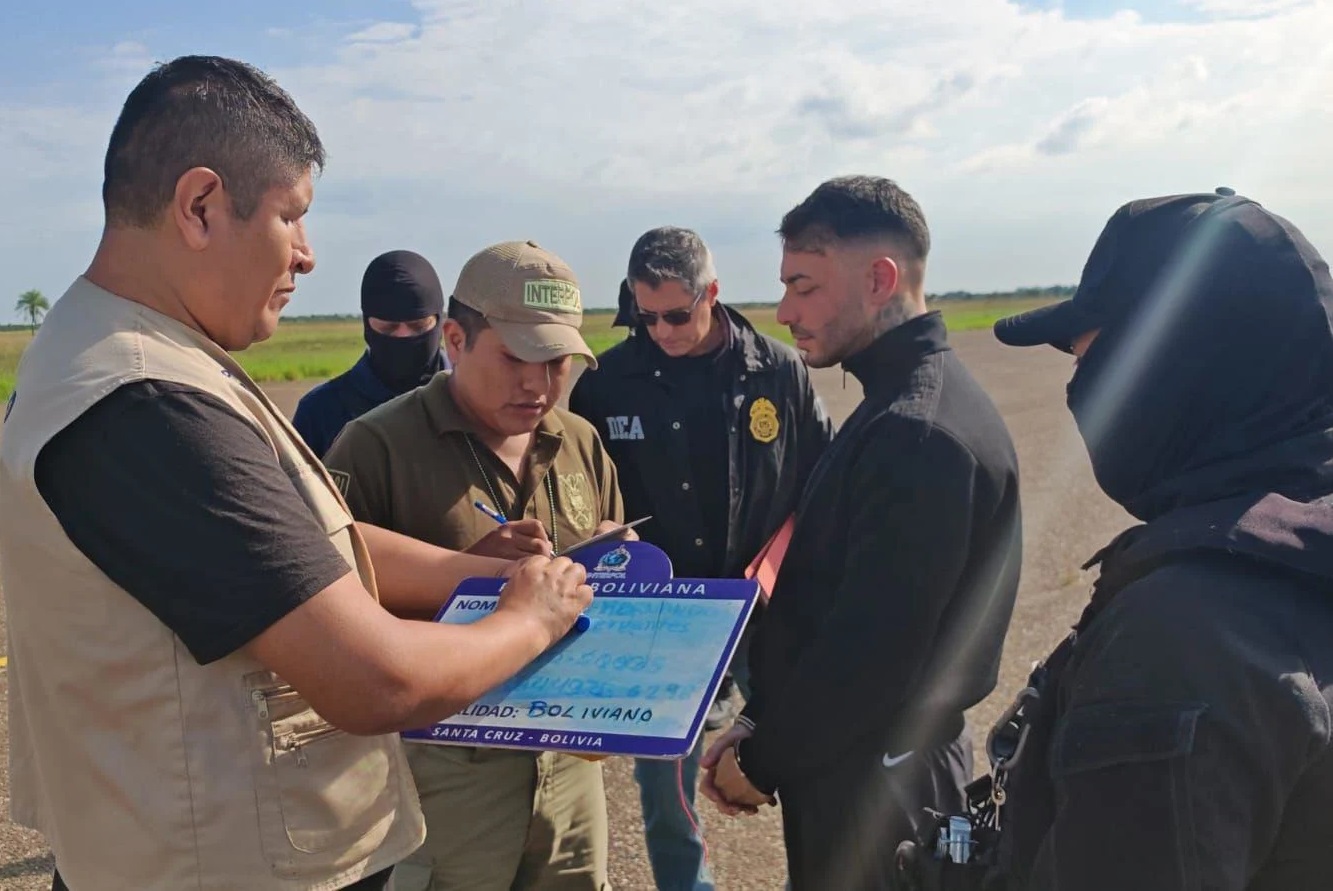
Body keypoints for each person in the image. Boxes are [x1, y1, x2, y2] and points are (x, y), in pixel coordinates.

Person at [0, 55, 592, 891]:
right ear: (200, 206)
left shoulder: (119, 356)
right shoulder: (144, 401)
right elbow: (375, 679)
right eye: (292, 215)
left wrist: (474, 574)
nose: (307, 256)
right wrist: (529, 619)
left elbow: (293, 549)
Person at [952, 188, 1333, 890]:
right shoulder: (1303, 546)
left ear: (1171, 368)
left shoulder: (1184, 637)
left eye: (1089, 359)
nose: (1077, 388)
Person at [701, 175, 1023, 890]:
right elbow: (831, 604)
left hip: (881, 784)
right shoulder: (900, 406)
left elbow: (872, 653)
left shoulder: (917, 432)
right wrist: (762, 721)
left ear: (879, 280)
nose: (785, 311)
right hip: (861, 764)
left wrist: (763, 759)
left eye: (804, 286)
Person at [324, 240, 627, 891]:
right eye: (515, 358)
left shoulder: (579, 441)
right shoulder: (376, 445)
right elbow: (325, 612)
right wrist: (459, 575)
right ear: (456, 339)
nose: (537, 384)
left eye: (557, 363)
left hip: (569, 766)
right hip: (441, 775)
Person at [569, 226, 834, 891]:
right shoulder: (606, 384)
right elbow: (578, 492)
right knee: (665, 789)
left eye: (676, 315)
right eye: (645, 316)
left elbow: (827, 482)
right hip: (662, 618)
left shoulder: (777, 371)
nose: (660, 330)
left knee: (807, 754)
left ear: (711, 293)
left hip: (762, 607)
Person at [293, 248, 450, 457]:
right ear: (367, 325)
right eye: (388, 328)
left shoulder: (474, 400)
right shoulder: (321, 412)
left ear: (440, 322)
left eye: (418, 326)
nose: (403, 337)